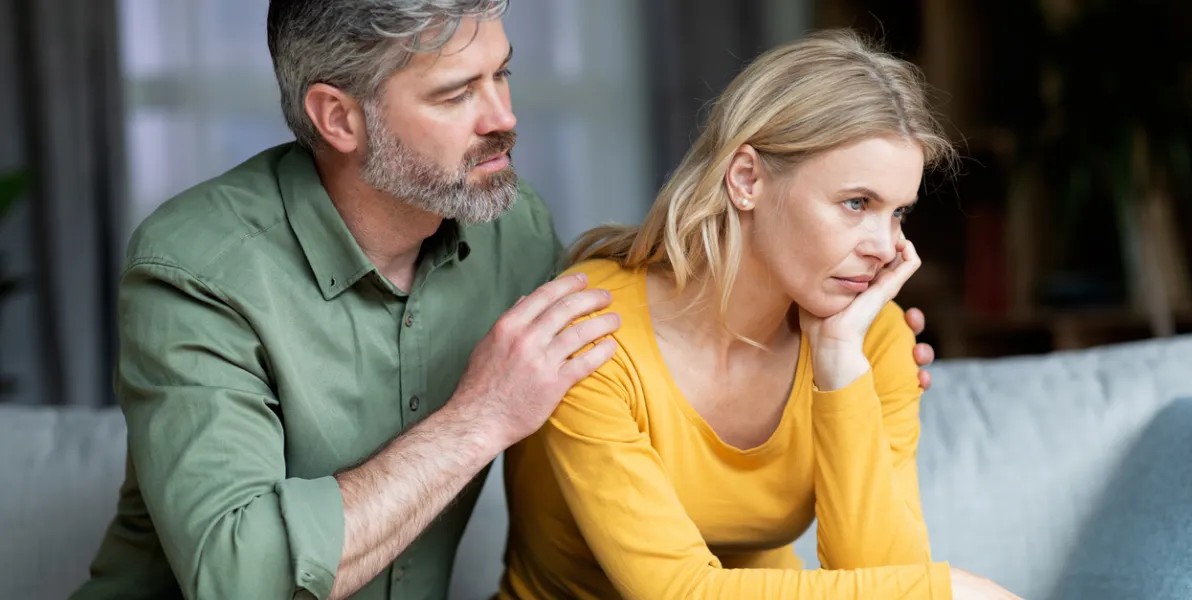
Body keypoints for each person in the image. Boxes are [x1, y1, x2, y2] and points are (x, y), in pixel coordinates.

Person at [71, 3, 936, 600]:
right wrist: (481, 417)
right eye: (456, 93)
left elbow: (649, 362)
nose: (504, 118)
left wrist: (846, 380)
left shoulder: (512, 231)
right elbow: (240, 579)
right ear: (339, 118)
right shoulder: (197, 267)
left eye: (503, 75)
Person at [499, 30, 1022, 600]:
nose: (885, 247)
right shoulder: (592, 332)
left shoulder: (870, 337)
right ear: (747, 178)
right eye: (857, 203)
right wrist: (950, 591)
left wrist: (839, 365)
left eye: (898, 213)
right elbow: (676, 593)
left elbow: (882, 574)